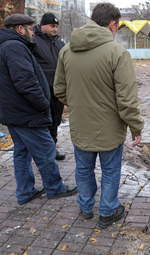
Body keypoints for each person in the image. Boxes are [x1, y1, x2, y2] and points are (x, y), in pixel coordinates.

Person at [54, 3, 145, 229]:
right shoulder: (117, 53)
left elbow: (59, 89)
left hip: (80, 126)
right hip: (109, 128)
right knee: (111, 170)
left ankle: (85, 208)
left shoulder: (66, 50)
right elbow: (126, 100)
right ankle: (107, 211)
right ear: (113, 24)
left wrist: (78, 104)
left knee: (83, 169)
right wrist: (136, 126)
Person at [0, 14, 78, 205]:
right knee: (45, 150)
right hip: (26, 112)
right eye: (30, 27)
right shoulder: (14, 47)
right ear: (20, 29)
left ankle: (25, 192)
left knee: (22, 152)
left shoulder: (8, 45)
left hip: (14, 112)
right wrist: (43, 104)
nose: (33, 32)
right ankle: (54, 187)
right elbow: (25, 81)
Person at [32, 13, 66, 160]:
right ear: (42, 26)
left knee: (55, 121)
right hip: (42, 90)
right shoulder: (33, 41)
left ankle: (52, 149)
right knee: (43, 121)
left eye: (56, 27)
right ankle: (43, 151)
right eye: (52, 26)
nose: (55, 29)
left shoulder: (59, 43)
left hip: (57, 90)